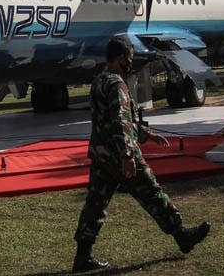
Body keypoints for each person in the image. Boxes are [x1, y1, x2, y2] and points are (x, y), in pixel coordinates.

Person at [71, 37, 210, 272]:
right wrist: (127, 156)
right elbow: (121, 121)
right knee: (152, 193)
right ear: (120, 58)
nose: (130, 63)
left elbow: (111, 121)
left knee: (95, 204)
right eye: (129, 59)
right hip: (119, 153)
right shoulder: (116, 84)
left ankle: (82, 256)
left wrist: (147, 134)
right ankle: (181, 236)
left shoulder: (99, 81)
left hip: (101, 153)